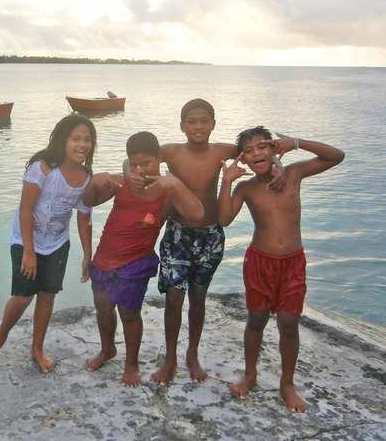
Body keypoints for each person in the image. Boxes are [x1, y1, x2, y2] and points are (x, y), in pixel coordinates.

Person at [126, 99, 284, 385]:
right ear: (182, 125)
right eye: (191, 121)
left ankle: (192, 354)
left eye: (203, 121)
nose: (197, 126)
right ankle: (170, 359)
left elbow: (260, 152)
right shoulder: (171, 152)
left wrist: (278, 165)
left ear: (213, 123)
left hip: (210, 235)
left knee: (198, 298)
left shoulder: (224, 151)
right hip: (177, 234)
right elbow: (134, 158)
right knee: (174, 299)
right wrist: (130, 175)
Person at [218, 127, 344, 412]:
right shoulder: (246, 188)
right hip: (260, 263)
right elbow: (224, 219)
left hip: (292, 263)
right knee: (256, 320)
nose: (256, 154)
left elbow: (336, 156)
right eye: (248, 152)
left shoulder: (294, 174)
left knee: (289, 323)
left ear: (275, 149)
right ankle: (250, 375)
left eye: (262, 147)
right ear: (244, 161)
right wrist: (226, 181)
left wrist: (297, 142)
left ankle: (287, 383)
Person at [83, 132, 203, 386]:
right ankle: (107, 350)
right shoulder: (122, 183)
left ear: (159, 159)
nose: (140, 170)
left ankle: (132, 363)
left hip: (135, 262)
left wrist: (175, 185)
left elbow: (197, 215)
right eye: (134, 164)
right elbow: (88, 200)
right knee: (103, 308)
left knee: (129, 314)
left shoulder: (167, 191)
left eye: (146, 163)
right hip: (104, 258)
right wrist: (95, 181)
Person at [0, 114, 97, 373]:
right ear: (62, 140)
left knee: (47, 297)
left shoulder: (87, 177)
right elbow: (26, 209)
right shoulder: (43, 168)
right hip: (26, 240)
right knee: (23, 296)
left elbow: (84, 217)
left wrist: (87, 255)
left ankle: (37, 348)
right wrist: (29, 253)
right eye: (75, 139)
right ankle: (0, 337)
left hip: (57, 244)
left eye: (87, 140)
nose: (82, 145)